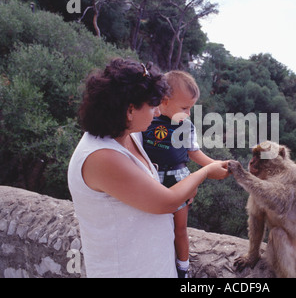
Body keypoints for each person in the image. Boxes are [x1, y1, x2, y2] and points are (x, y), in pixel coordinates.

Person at [67, 58, 229, 278]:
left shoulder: (128, 135)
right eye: (152, 106)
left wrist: (183, 185)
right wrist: (205, 172)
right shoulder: (101, 157)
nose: (156, 114)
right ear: (130, 110)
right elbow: (167, 202)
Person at [142, 71, 216, 278]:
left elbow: (194, 153)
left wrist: (216, 165)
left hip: (177, 177)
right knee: (151, 223)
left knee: (180, 228)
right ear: (164, 103)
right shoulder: (146, 120)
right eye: (185, 108)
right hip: (150, 177)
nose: (188, 113)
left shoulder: (186, 126)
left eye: (190, 108)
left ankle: (183, 267)